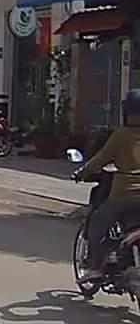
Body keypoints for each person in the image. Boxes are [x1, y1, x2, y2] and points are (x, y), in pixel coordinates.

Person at [77, 89, 140, 283]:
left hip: (123, 196)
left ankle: (95, 267)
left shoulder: (121, 135)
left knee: (97, 221)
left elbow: (101, 159)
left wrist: (82, 172)